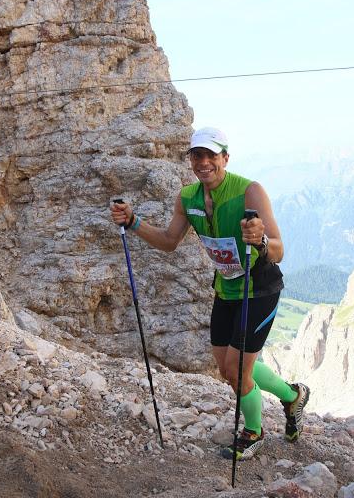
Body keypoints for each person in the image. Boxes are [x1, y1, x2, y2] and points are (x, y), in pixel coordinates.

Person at [111, 126, 310, 460]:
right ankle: (292, 396)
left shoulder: (250, 192)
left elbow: (279, 250)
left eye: (211, 155)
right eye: (197, 155)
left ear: (225, 158)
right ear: (190, 160)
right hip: (227, 289)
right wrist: (133, 222)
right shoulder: (187, 198)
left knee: (237, 371)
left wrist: (260, 240)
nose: (204, 162)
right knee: (227, 368)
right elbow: (169, 241)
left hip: (259, 289)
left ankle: (254, 431)